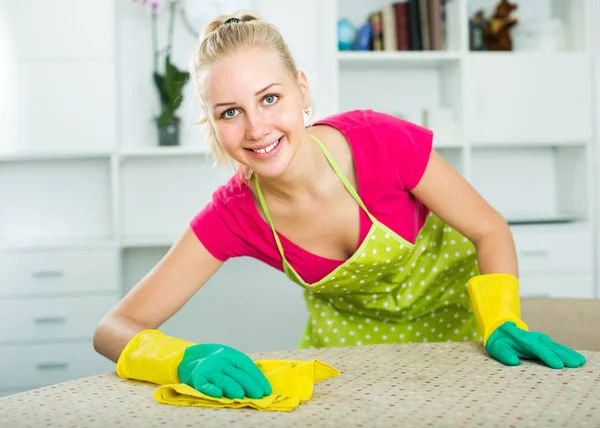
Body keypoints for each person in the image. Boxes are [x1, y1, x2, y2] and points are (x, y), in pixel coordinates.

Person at [93, 11, 586, 401]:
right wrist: (182, 360)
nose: (256, 128)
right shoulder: (236, 215)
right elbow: (113, 329)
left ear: (301, 90)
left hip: (461, 337)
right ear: (212, 125)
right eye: (230, 112)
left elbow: (489, 229)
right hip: (350, 362)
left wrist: (502, 318)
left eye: (269, 98)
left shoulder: (381, 142)